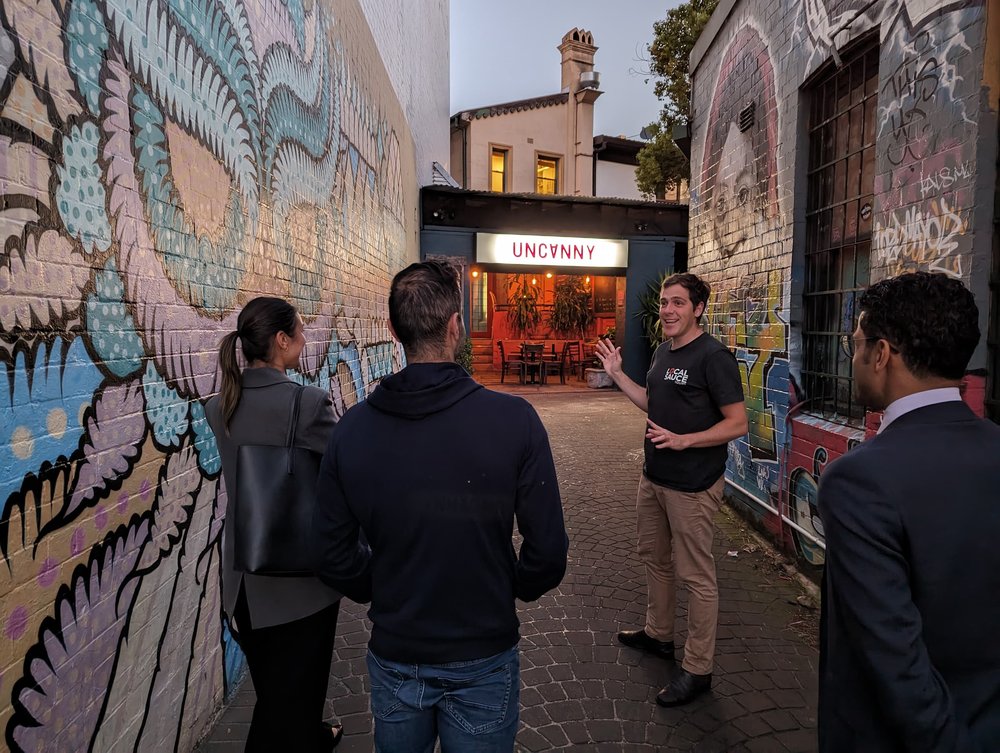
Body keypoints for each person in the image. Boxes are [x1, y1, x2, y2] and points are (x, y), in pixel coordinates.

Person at [312, 260, 568, 753]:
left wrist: (379, 586)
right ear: (456, 326)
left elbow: (330, 551)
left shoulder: (352, 430)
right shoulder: (514, 421)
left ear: (393, 332)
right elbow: (549, 552)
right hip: (484, 650)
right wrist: (509, 585)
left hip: (396, 650)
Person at [817, 272, 1000, 751]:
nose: (853, 357)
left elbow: (894, 662)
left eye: (854, 344)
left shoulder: (859, 480)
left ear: (881, 354)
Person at [596, 272, 747, 707]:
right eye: (664, 302)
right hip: (654, 478)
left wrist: (685, 440)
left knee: (697, 577)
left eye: (678, 303)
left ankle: (698, 669)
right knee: (655, 560)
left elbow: (736, 423)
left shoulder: (713, 357)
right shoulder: (663, 351)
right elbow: (652, 402)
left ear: (698, 308)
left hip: (694, 486)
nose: (667, 310)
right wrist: (617, 375)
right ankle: (660, 635)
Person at [206, 297, 343, 752]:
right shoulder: (309, 404)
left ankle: (313, 735)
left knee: (275, 696)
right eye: (299, 331)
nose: (305, 339)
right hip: (299, 589)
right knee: (288, 709)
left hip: (242, 583)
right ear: (281, 341)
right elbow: (346, 471)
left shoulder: (218, 405)